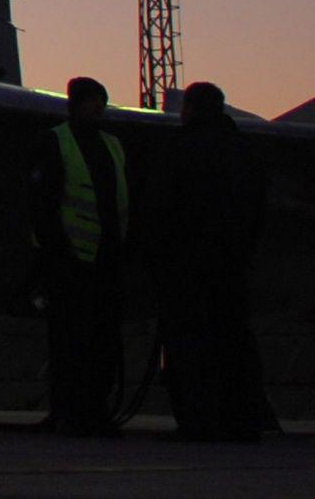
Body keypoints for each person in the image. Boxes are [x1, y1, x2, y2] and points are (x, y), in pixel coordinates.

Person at [154, 81, 275, 441]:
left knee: (190, 345)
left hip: (188, 268)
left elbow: (162, 207)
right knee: (235, 341)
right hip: (232, 266)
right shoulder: (244, 151)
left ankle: (198, 421)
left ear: (189, 109)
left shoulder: (179, 150)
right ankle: (244, 420)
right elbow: (258, 209)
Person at [30, 75, 131, 435]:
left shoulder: (114, 146)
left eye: (101, 103)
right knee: (68, 342)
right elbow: (43, 204)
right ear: (76, 105)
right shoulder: (54, 142)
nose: (97, 109)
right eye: (91, 102)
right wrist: (55, 252)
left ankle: (94, 410)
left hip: (105, 260)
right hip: (68, 262)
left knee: (102, 342)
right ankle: (67, 411)